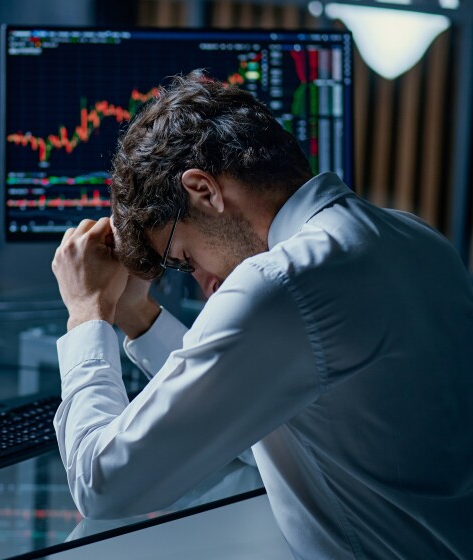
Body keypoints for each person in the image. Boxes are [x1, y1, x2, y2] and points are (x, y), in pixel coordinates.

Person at [51, 71, 473, 559]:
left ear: (203, 189)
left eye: (184, 258)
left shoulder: (282, 284)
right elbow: (249, 411)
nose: (205, 283)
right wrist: (137, 316)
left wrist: (85, 315)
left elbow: (103, 485)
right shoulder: (412, 237)